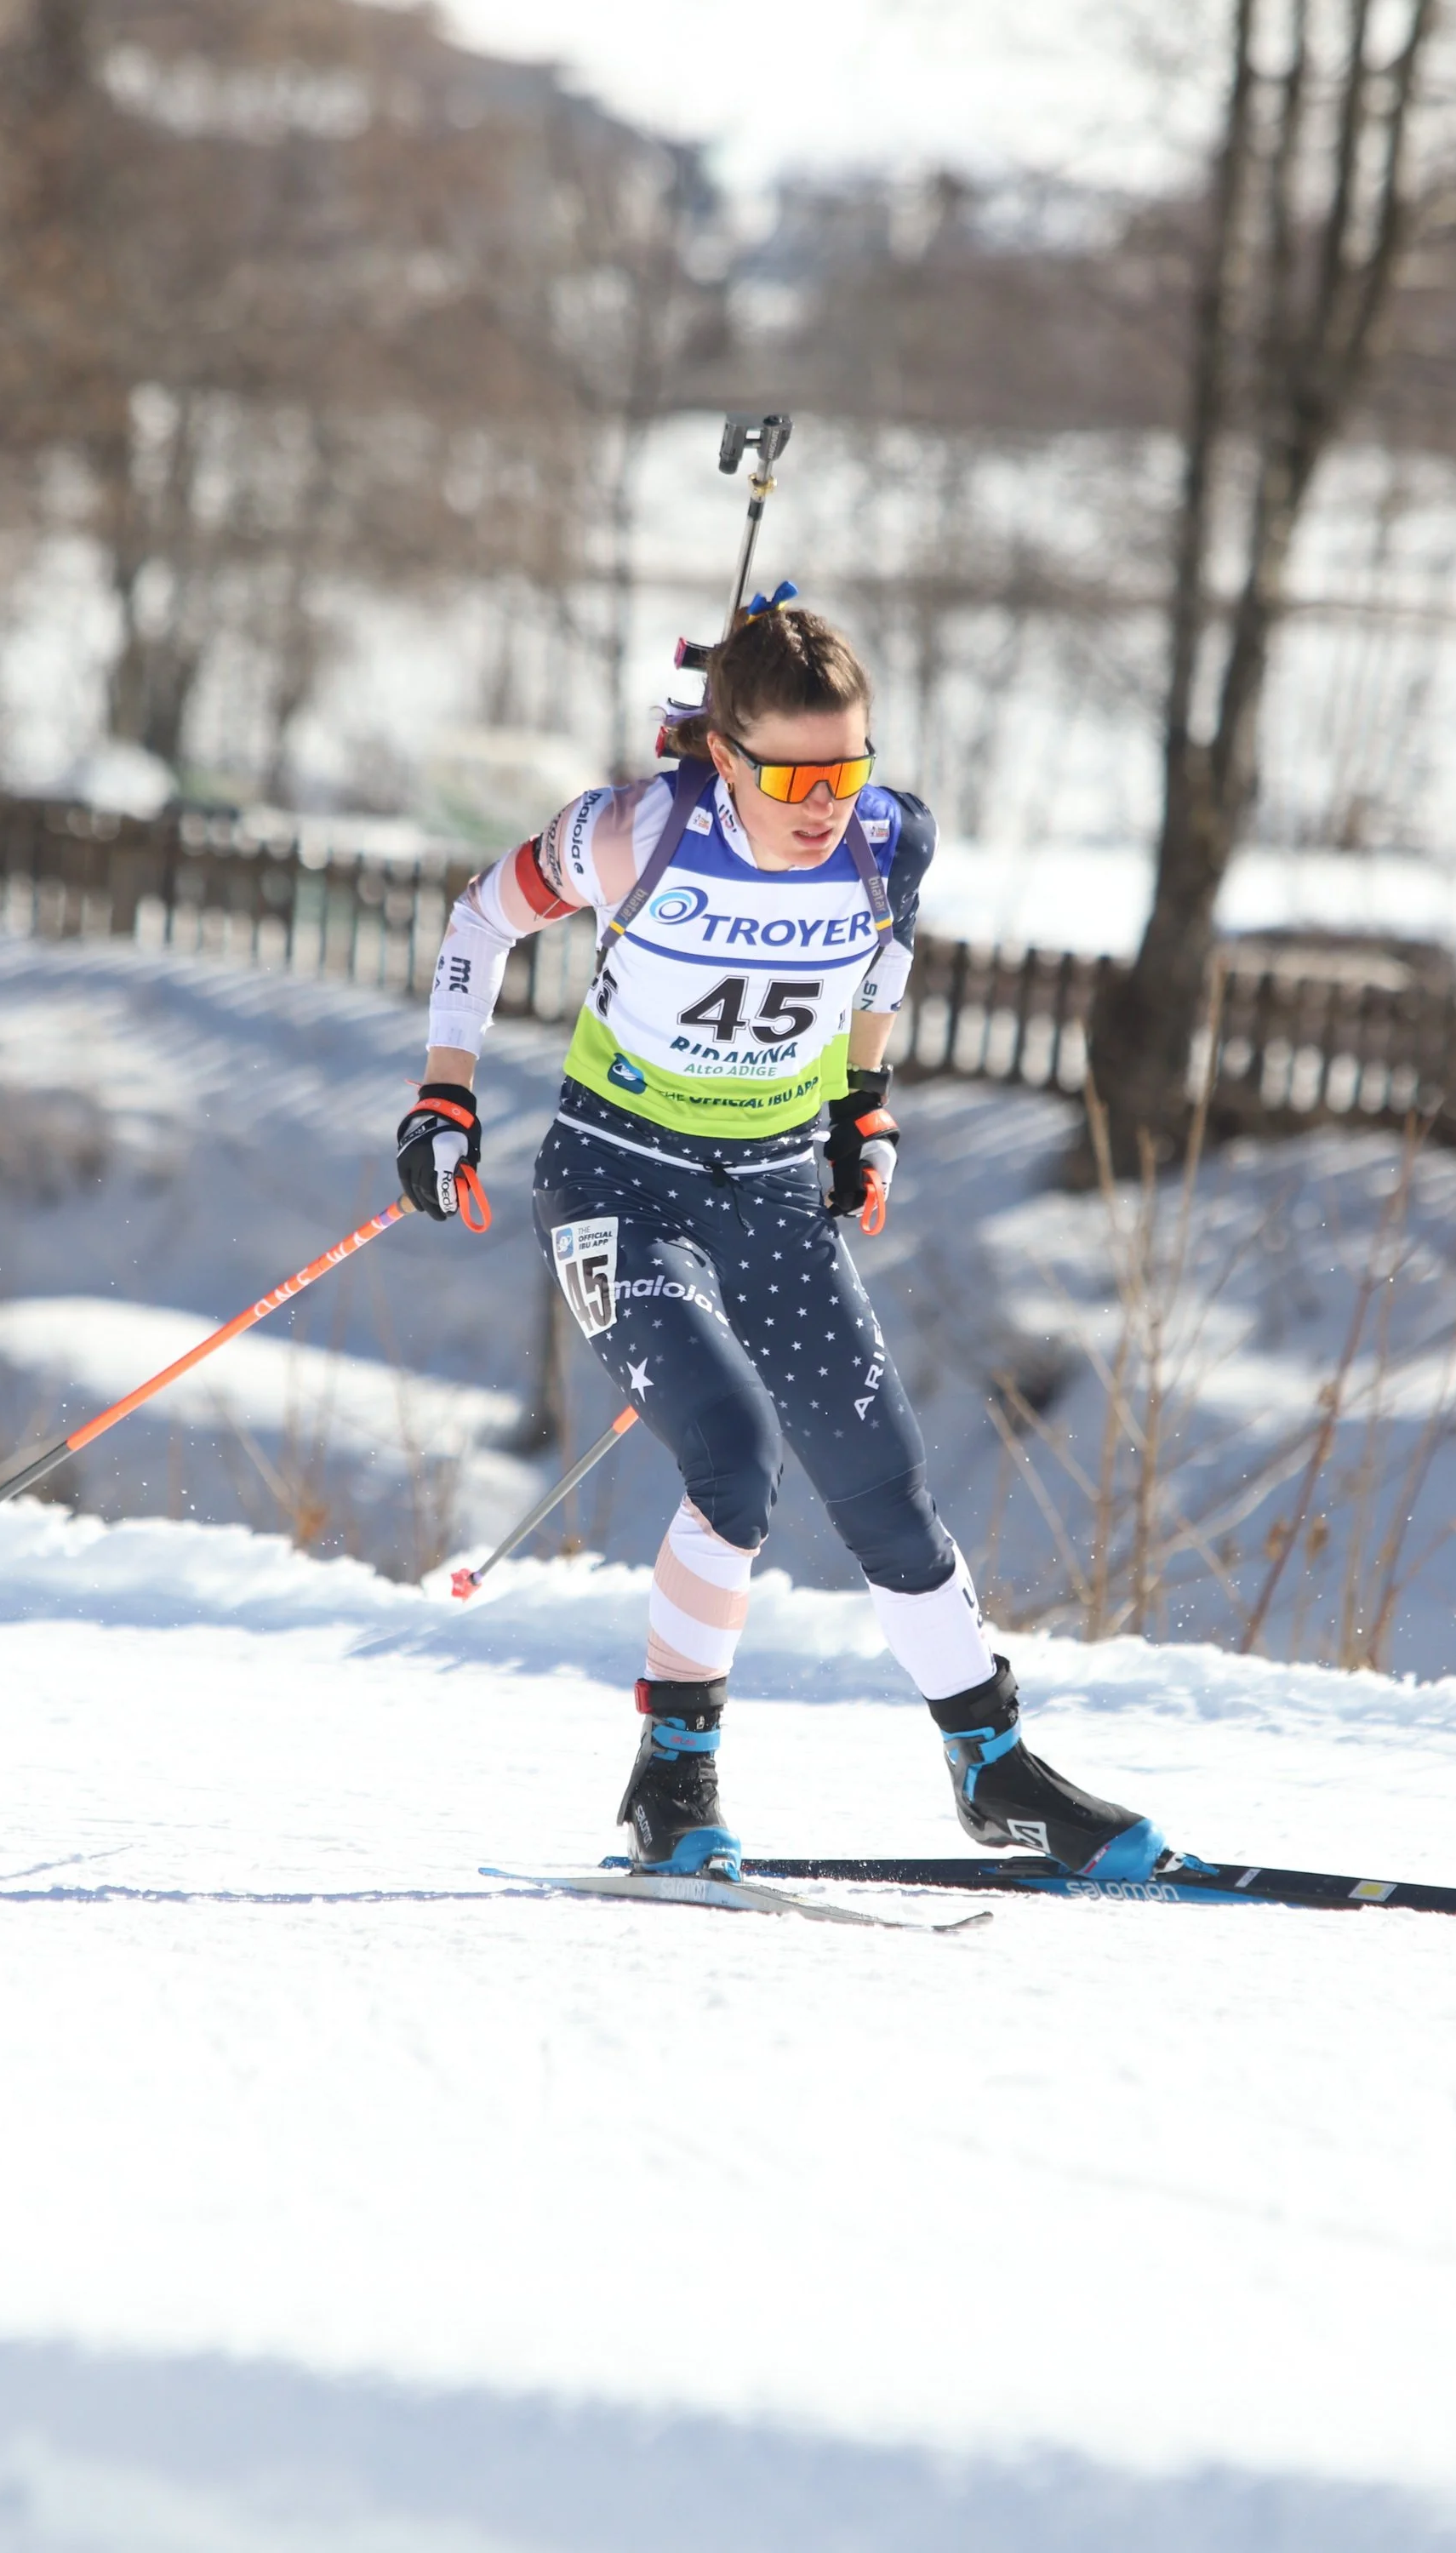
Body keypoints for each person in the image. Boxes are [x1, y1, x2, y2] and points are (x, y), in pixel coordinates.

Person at [396, 600, 1167, 1882]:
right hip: (619, 1186)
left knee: (885, 1487)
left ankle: (994, 1769)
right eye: (797, 776)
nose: (826, 803)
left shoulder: (884, 838)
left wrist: (862, 1106)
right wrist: (444, 1094)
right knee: (735, 1466)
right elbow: (482, 920)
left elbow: (882, 969)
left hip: (769, 1190)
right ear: (724, 753)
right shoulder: (634, 834)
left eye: (847, 769)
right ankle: (673, 1778)